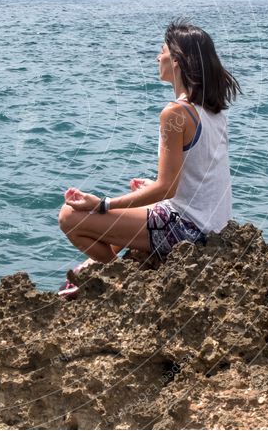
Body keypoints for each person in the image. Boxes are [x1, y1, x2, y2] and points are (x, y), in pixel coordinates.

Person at [57, 19, 242, 298]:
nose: (158, 57)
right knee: (145, 199)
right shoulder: (212, 110)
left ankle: (113, 276)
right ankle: (95, 266)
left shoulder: (175, 114)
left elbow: (167, 188)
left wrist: (103, 205)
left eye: (163, 50)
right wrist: (154, 192)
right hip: (214, 226)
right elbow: (195, 178)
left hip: (189, 231)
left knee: (70, 217)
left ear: (177, 61)